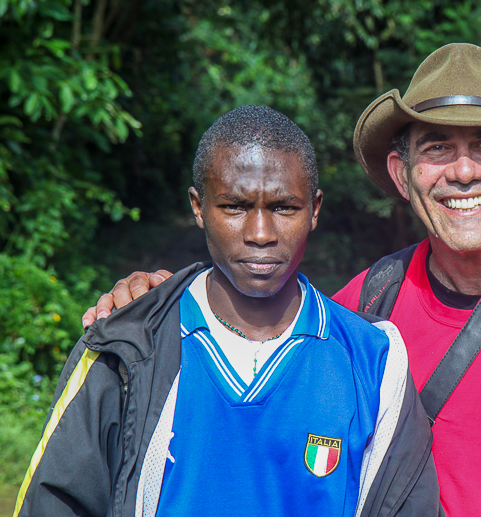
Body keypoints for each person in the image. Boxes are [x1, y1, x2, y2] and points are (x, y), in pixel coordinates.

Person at [82, 44, 481, 516]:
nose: (464, 172)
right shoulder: (364, 312)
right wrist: (158, 301)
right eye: (437, 147)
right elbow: (253, 374)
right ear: (402, 171)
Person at [15, 105, 441, 517]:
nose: (260, 234)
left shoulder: (374, 359)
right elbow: (55, 501)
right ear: (199, 208)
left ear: (315, 210)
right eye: (235, 207)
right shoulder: (127, 347)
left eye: (283, 208)